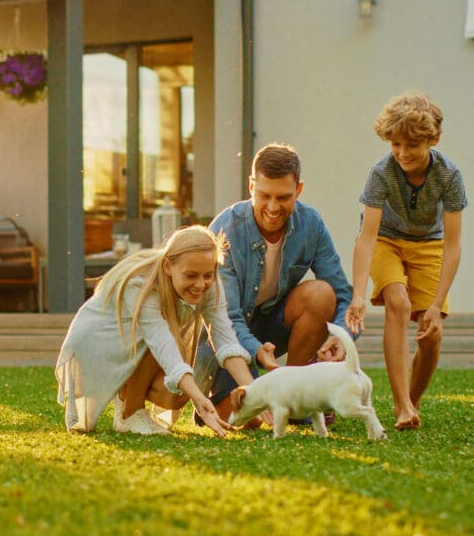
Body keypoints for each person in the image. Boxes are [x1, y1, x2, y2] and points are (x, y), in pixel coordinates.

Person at [202, 142, 354, 423]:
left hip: (272, 325)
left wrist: (342, 337)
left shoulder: (311, 224)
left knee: (322, 293)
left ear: (299, 190)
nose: (273, 207)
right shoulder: (224, 229)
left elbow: (343, 293)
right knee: (248, 419)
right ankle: (232, 398)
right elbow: (226, 318)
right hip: (225, 335)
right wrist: (256, 353)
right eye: (264, 195)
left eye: (284, 197)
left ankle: (295, 398)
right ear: (251, 187)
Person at [55, 225, 256, 436]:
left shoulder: (209, 283)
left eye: (208, 275)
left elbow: (226, 341)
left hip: (138, 342)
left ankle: (128, 400)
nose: (201, 284)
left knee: (175, 395)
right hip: (98, 342)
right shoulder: (142, 284)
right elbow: (161, 343)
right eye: (191, 276)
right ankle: (129, 413)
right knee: (166, 351)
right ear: (168, 266)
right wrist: (200, 398)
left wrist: (257, 394)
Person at [345, 92, 466, 431]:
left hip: (430, 244)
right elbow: (367, 237)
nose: (402, 153)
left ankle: (412, 402)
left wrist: (438, 303)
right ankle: (400, 404)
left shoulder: (449, 175)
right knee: (397, 302)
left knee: (431, 335)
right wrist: (358, 295)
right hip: (386, 241)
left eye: (411, 145)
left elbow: (453, 244)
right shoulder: (381, 173)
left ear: (434, 139)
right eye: (395, 144)